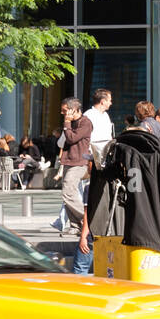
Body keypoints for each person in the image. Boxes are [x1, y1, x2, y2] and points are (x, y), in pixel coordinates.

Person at [57, 96, 92, 229]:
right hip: (68, 160)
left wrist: (66, 124)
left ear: (74, 110)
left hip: (79, 162)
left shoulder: (85, 123)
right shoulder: (70, 122)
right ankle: (76, 226)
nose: (62, 113)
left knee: (68, 192)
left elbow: (72, 138)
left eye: (64, 110)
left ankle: (87, 219)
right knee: (66, 196)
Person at [85, 87, 114, 163]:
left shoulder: (105, 115)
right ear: (103, 101)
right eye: (109, 100)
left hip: (105, 156)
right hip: (92, 158)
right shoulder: (89, 115)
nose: (111, 103)